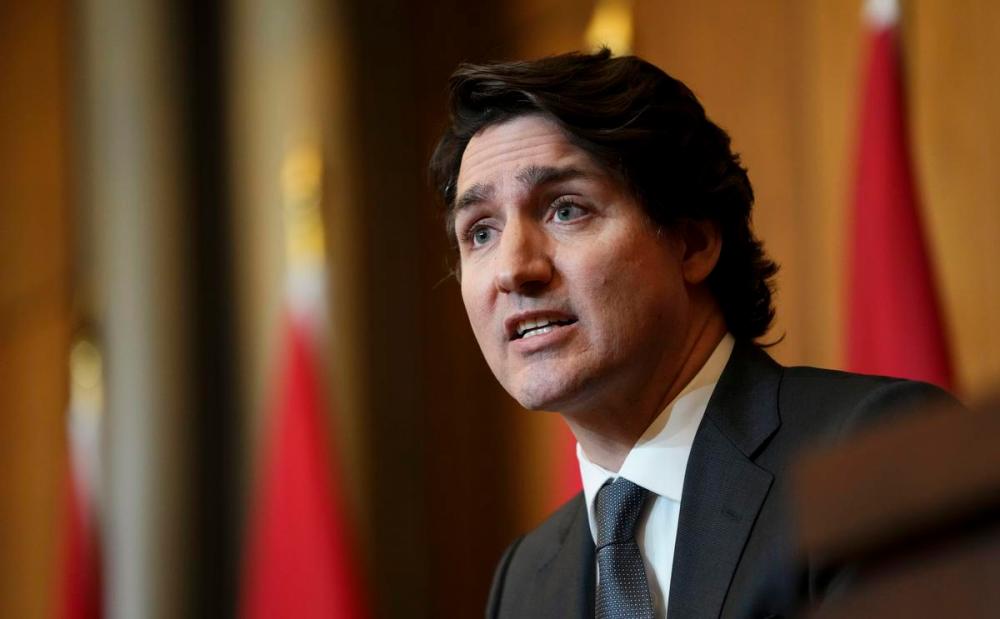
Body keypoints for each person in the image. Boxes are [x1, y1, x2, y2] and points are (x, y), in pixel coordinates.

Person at [428, 49, 952, 619]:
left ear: (693, 242)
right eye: (479, 232)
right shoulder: (527, 580)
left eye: (565, 209)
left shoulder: (874, 454)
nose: (511, 268)